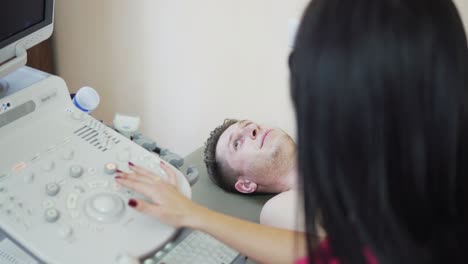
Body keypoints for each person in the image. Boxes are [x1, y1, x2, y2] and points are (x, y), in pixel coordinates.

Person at [116, 0, 468, 263]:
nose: (253, 131)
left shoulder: (367, 178)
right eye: (240, 141)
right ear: (245, 185)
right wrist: (192, 214)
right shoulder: (287, 206)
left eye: (250, 126)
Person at [204, 119, 308, 231]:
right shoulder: (277, 210)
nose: (253, 128)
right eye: (236, 144)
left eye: (248, 124)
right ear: (246, 185)